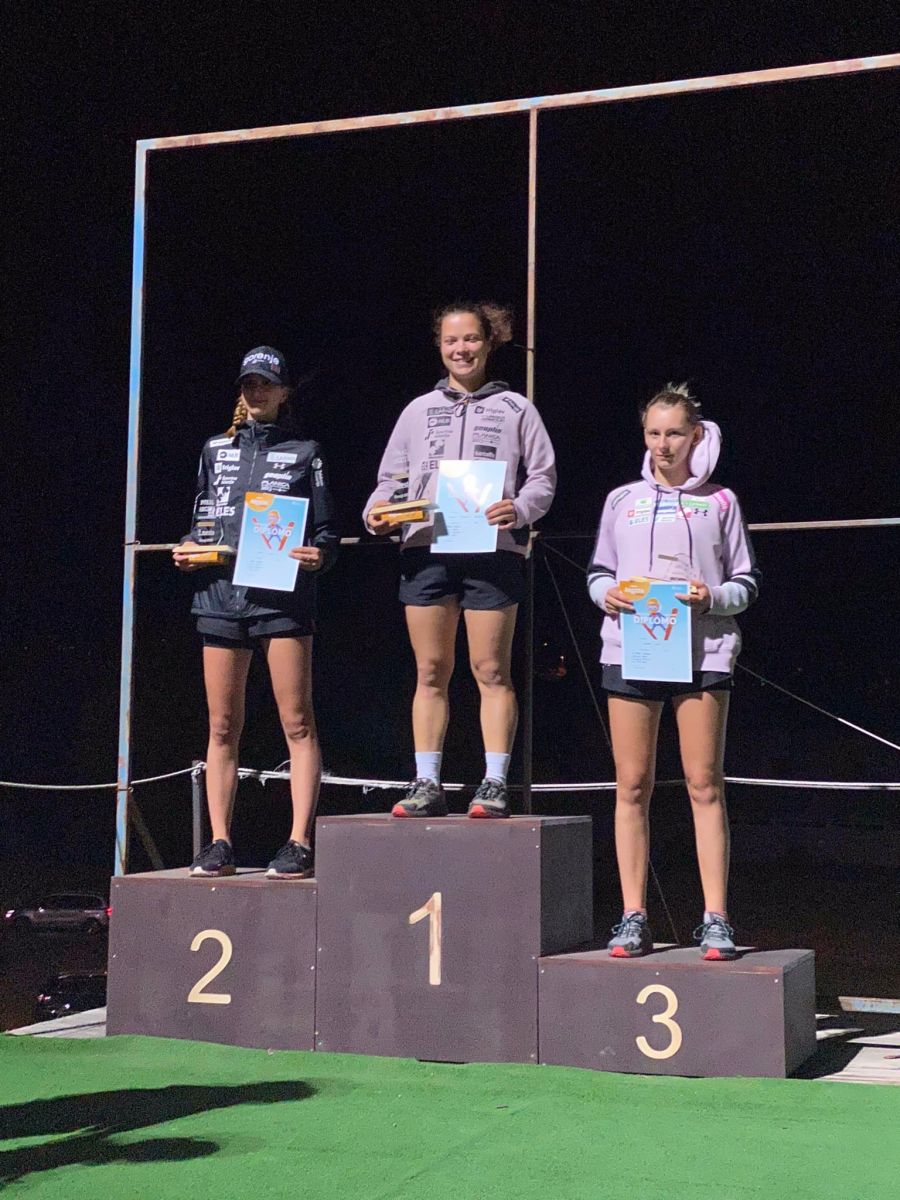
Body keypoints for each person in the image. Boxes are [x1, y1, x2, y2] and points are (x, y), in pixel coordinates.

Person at [587, 383, 760, 959]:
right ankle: (633, 916)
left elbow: (746, 582)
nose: (663, 445)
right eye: (654, 434)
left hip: (703, 654)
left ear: (696, 436)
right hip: (633, 650)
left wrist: (711, 596)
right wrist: (606, 595)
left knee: (704, 784)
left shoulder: (721, 502)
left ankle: (716, 918)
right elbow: (599, 571)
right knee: (631, 785)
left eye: (675, 434)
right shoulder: (621, 500)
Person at [364, 302, 556, 818]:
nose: (461, 349)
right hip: (426, 547)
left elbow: (543, 477)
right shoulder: (417, 410)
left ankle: (494, 783)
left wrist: (519, 508)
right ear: (439, 346)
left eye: (471, 339)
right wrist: (377, 513)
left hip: (492, 550)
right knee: (431, 670)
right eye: (451, 341)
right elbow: (390, 481)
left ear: (489, 342)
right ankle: (427, 782)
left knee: (490, 668)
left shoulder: (517, 408)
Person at [174, 345, 339, 878]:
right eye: (249, 383)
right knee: (222, 725)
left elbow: (326, 535)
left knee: (297, 720)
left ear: (284, 391)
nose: (257, 391)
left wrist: (319, 556)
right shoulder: (213, 449)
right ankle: (219, 842)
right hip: (220, 597)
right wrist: (188, 549)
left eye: (266, 383)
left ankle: (299, 842)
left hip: (281, 597)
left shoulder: (306, 451)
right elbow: (201, 522)